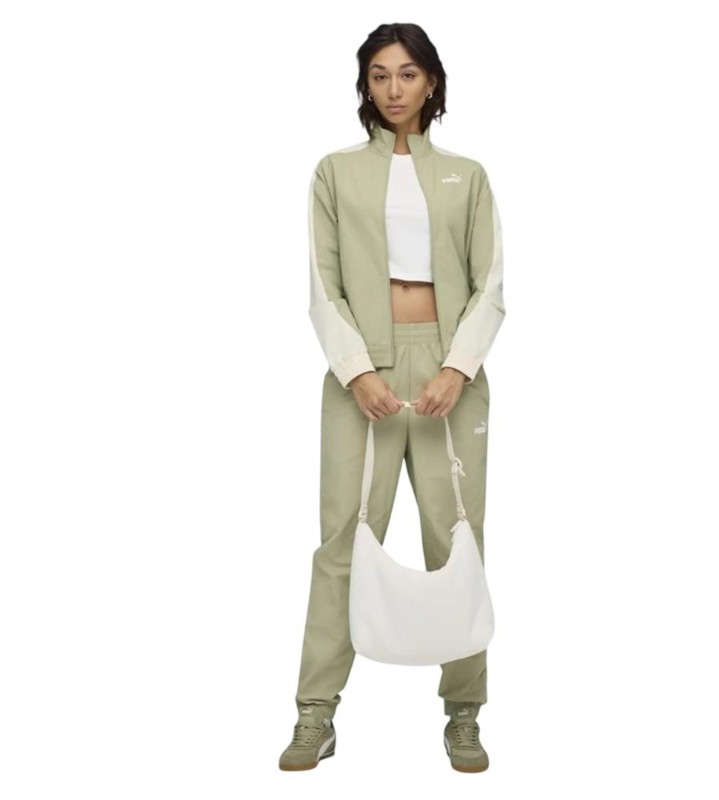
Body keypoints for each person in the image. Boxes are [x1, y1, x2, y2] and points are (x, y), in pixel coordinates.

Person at [279, 22, 505, 773]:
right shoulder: (334, 173)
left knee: (457, 539)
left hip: (448, 373)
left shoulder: (467, 176)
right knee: (342, 542)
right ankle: (315, 712)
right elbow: (323, 285)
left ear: (431, 81)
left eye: (408, 74)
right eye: (379, 75)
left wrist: (458, 368)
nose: (394, 88)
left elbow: (490, 284)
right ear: (365, 85)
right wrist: (357, 370)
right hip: (363, 372)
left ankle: (465, 713)